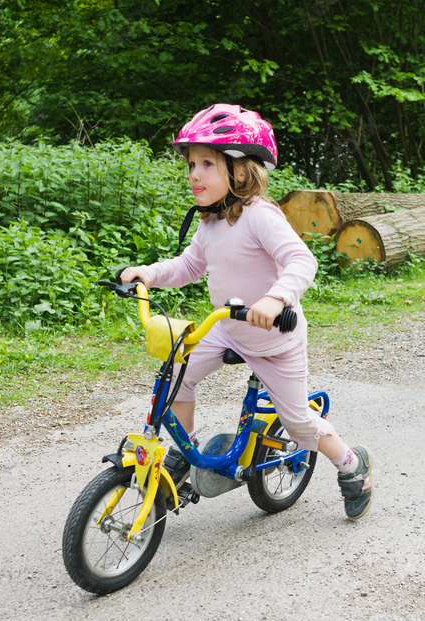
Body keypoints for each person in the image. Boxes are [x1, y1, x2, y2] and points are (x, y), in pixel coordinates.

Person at [119, 103, 374, 520]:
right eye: (191, 164)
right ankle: (185, 459)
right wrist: (147, 274)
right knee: (176, 373)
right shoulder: (210, 222)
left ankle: (351, 463)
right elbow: (188, 266)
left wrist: (276, 298)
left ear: (239, 171)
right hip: (228, 328)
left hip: (275, 339)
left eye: (205, 163)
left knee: (297, 424)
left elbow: (301, 261)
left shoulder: (260, 217)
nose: (194, 174)